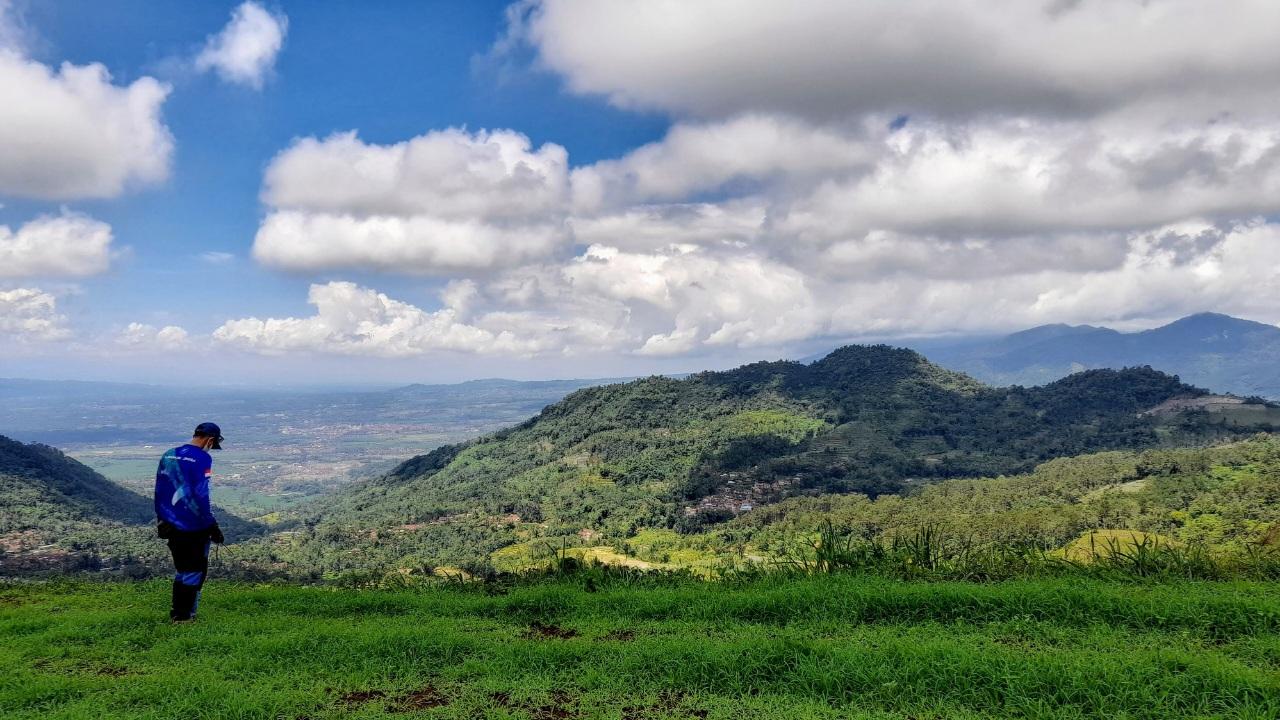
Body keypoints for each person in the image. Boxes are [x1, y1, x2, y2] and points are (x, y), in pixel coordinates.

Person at [154, 422, 226, 622]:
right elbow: (201, 495)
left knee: (183, 569)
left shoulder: (168, 454)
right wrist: (211, 525)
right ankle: (184, 617)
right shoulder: (202, 458)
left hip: (169, 521)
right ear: (210, 440)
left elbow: (160, 489)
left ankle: (178, 612)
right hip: (193, 525)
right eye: (212, 444)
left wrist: (161, 519)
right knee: (195, 571)